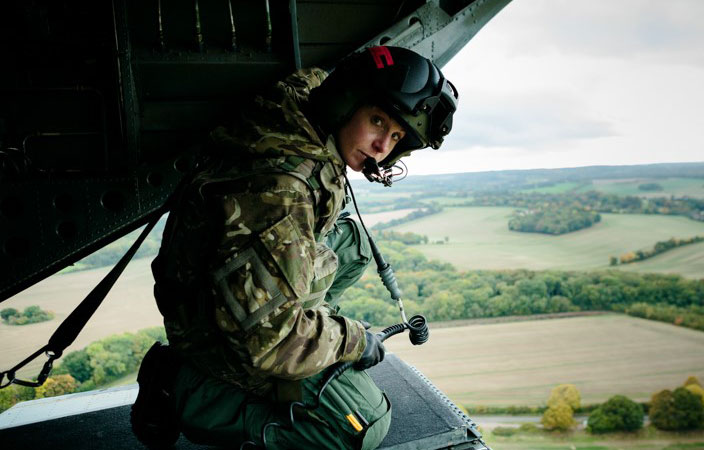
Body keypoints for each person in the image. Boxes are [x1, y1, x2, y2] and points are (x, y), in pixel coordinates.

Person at [130, 46, 458, 449]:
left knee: (352, 245)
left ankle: (310, 330)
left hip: (223, 279)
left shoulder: (308, 106)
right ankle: (183, 391)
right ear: (346, 103)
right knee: (363, 425)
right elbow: (271, 341)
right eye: (377, 121)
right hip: (212, 331)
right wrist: (351, 340)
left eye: (394, 136)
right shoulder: (281, 193)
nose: (381, 147)